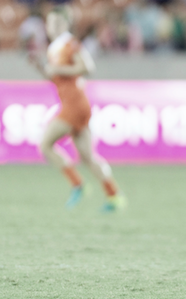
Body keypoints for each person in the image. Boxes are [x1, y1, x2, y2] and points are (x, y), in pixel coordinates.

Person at [29, 6, 125, 212]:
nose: (52, 27)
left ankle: (77, 184)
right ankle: (114, 195)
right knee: (88, 157)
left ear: (66, 24)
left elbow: (87, 67)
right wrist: (40, 67)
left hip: (74, 104)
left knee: (45, 145)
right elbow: (56, 78)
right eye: (50, 22)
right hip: (75, 103)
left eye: (57, 23)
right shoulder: (54, 47)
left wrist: (58, 69)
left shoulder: (70, 43)